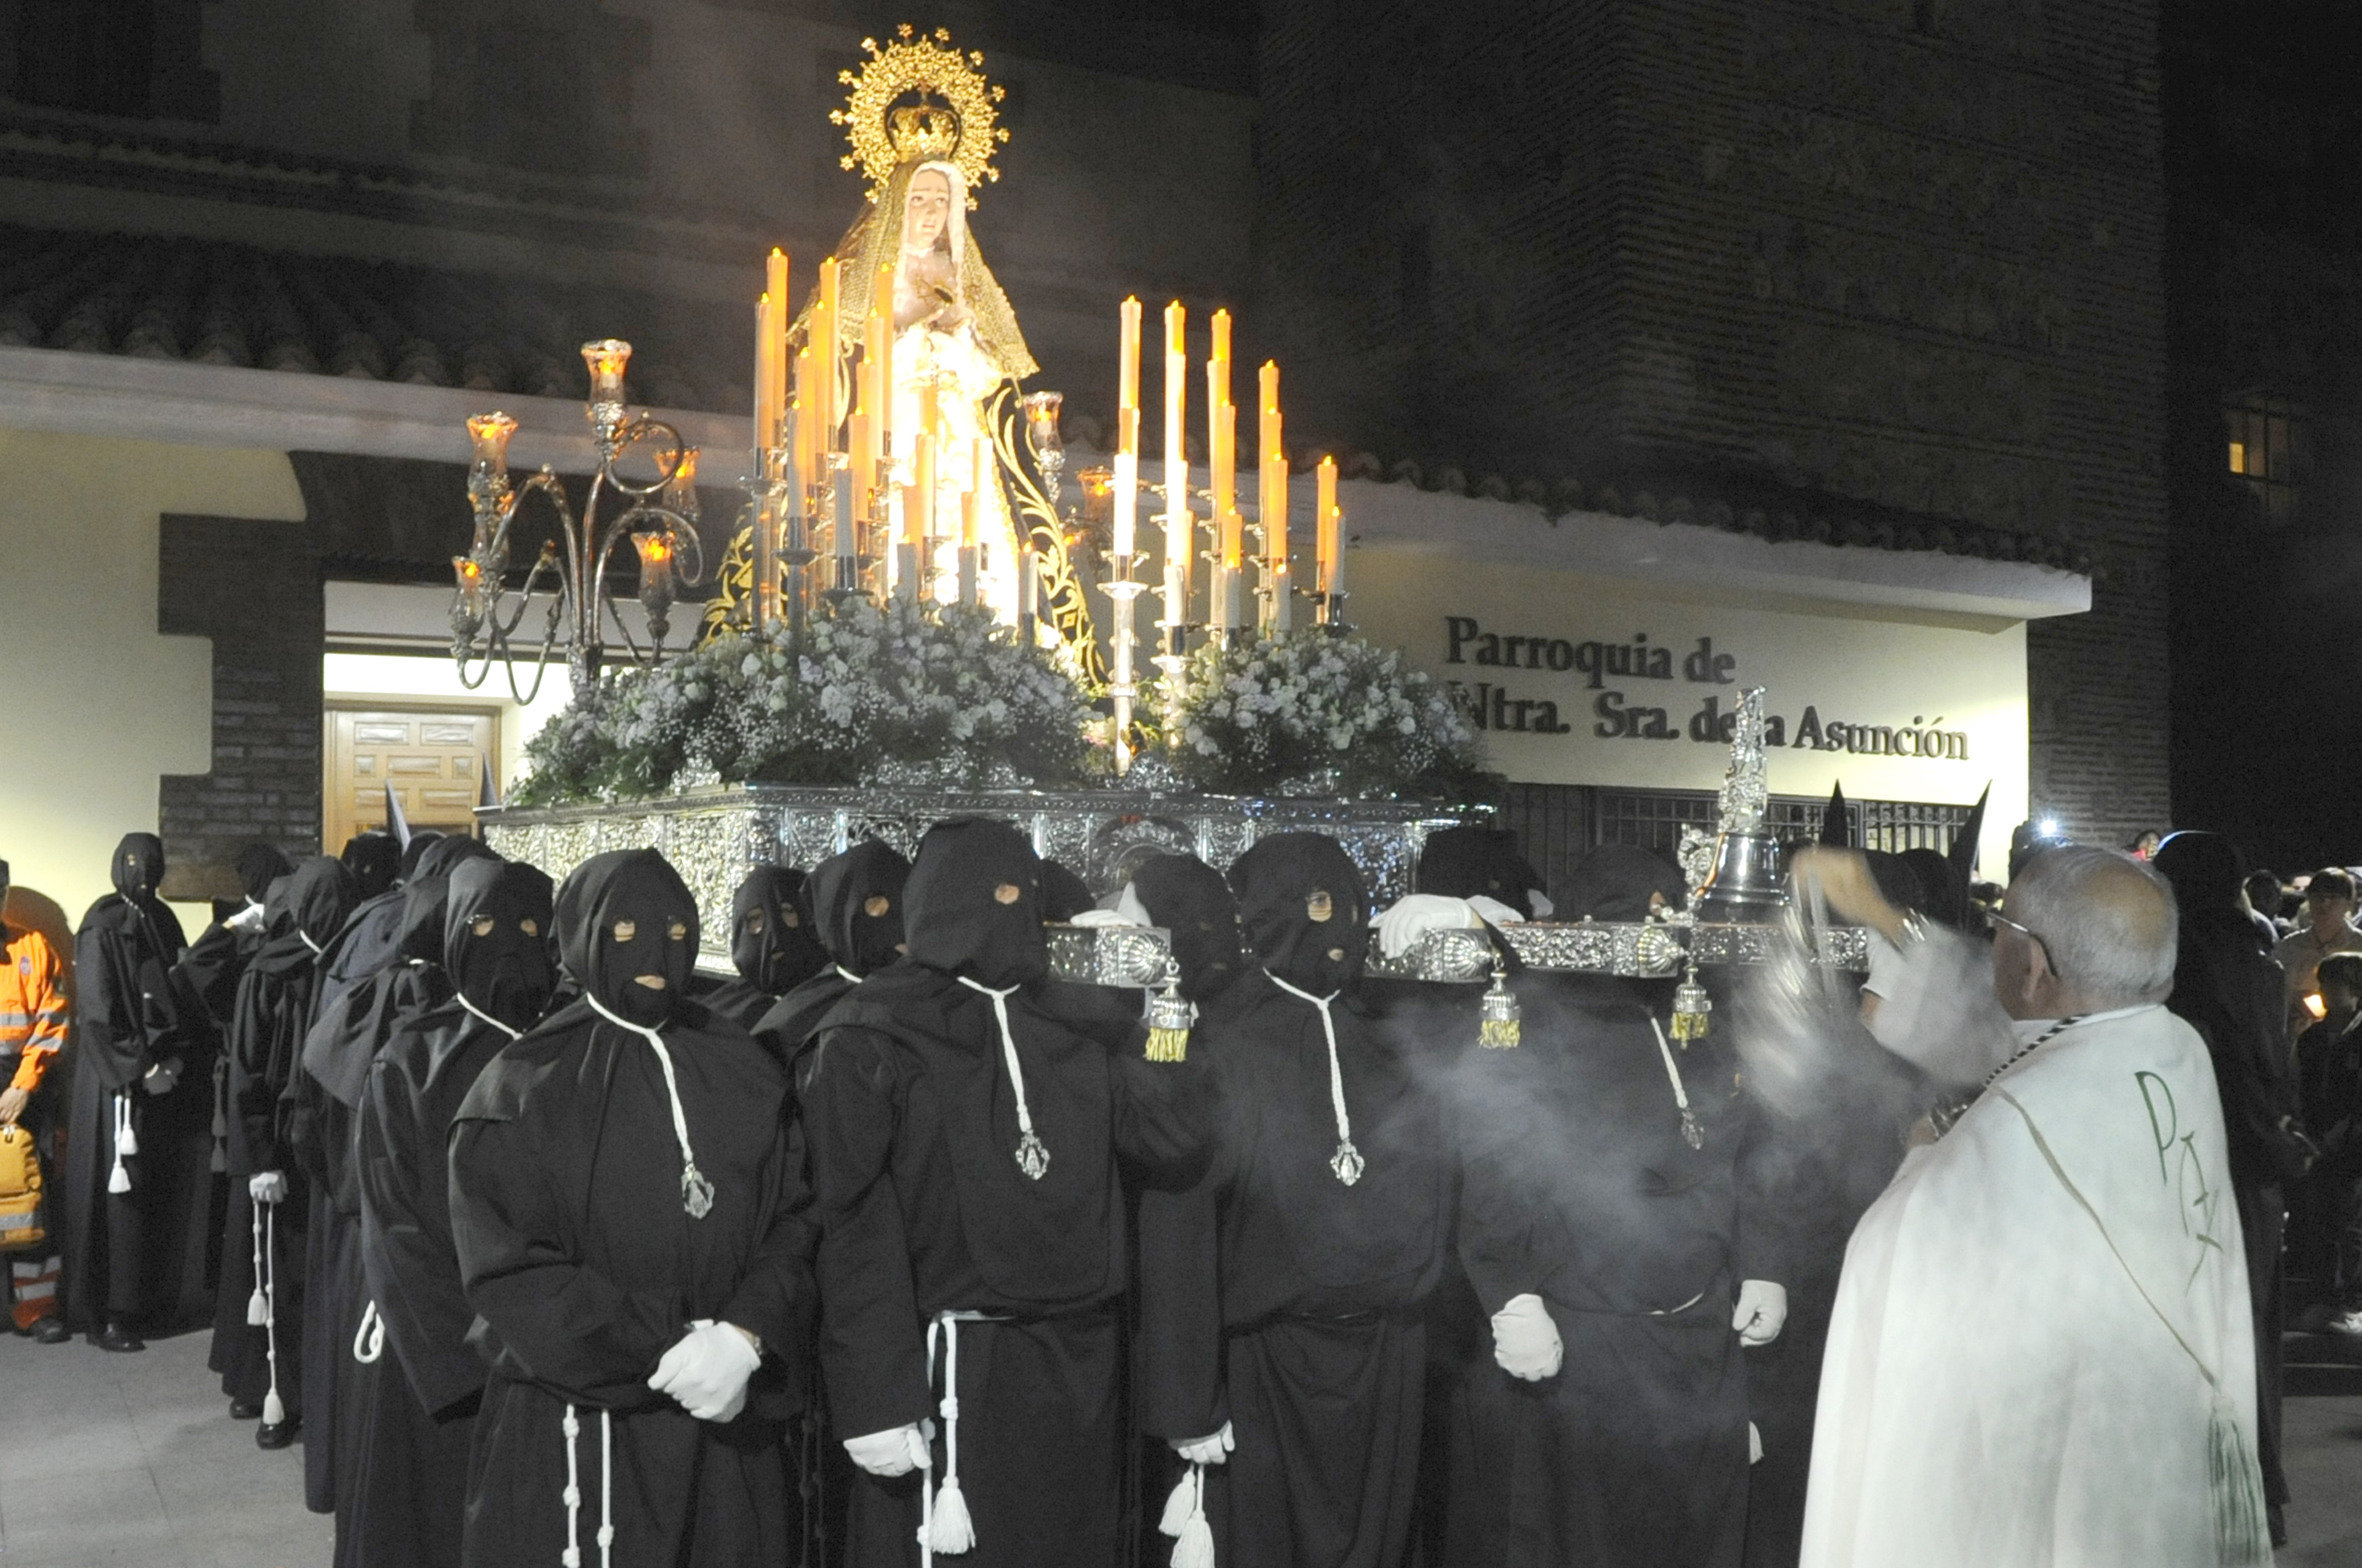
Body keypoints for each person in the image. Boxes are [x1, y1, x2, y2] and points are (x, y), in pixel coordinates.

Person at [1790, 843, 2269, 1568]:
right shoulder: (2169, 1045)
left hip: (2077, 1463)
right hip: (2159, 1433)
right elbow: (2014, 1034)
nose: (1988, 947)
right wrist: (1884, 918)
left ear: (2036, 963)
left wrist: (1924, 1149)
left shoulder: (2023, 1119)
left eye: (1999, 930)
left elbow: (1897, 1255)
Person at [800, 817, 1208, 1568]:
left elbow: (1172, 1141)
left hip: (1083, 1362)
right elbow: (854, 1223)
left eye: (1020, 891)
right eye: (988, 893)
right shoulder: (871, 1032)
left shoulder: (1078, 1016)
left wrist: (1150, 998)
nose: (1005, 910)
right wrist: (877, 1395)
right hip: (954, 1370)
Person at [1420, 839, 1789, 1568]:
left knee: (1702, 1537)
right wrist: (1510, 1294)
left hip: (1704, 1343)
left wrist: (1765, 1264)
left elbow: (1753, 1156)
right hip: (1591, 1350)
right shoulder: (1537, 1025)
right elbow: (1497, 1164)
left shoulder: (1703, 1015)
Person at [448, 848, 817, 1568]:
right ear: (583, 936)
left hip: (730, 1412)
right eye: (625, 933)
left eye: (678, 934)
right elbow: (511, 1273)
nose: (656, 954)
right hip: (586, 1425)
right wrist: (666, 1344)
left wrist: (746, 1334)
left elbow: (795, 1216)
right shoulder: (522, 1088)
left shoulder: (744, 1065)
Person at [1135, 832, 1450, 1568]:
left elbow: (1505, 1016)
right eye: (1311, 903)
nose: (1332, 924)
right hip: (1264, 1360)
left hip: (1386, 1352)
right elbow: (1178, 1223)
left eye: (1346, 904)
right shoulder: (1217, 1032)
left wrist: (1470, 925)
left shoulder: (1394, 1028)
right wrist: (1187, 1401)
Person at [352, 858, 557, 1567]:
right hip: (444, 1353)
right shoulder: (411, 1060)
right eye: (486, 926)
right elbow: (394, 1223)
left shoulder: (573, 1048)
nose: (511, 944)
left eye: (532, 927)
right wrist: (468, 1351)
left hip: (556, 1349)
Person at [300, 867, 473, 1532]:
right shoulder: (436, 1025)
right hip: (413, 1258)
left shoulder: (359, 1001)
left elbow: (306, 1118)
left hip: (357, 1236)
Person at [2153, 831, 2311, 1545]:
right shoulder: (2258, 960)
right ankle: (2259, 1494)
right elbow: (2277, 1075)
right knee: (2251, 1335)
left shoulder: (2172, 964)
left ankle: (2219, 1500)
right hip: (2255, 1175)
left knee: (2201, 1339)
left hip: (2192, 1169)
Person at [214, 855, 357, 1448]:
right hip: (279, 1149)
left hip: (320, 1148)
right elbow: (247, 1073)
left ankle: (306, 1394)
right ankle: (277, 1396)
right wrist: (261, 1160)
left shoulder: (344, 967)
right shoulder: (270, 973)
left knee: (307, 1275)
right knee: (275, 1277)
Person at [61, 832, 215, 1352]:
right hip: (116, 1087)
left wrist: (174, 1056)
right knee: (115, 1198)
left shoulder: (162, 920)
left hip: (158, 1080)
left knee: (154, 1193)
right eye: (135, 865)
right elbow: (98, 1012)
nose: (145, 875)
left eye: (153, 866)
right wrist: (140, 1067)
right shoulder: (101, 924)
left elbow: (179, 988)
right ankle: (110, 1313)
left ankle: (146, 1301)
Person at [751, 840, 910, 1065]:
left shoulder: (939, 996)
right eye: (876, 904)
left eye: (904, 900)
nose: (897, 919)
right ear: (839, 915)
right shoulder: (792, 1026)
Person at [1, 856, 71, 1343]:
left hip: (25, 1094)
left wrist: (23, 1087)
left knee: (30, 1203)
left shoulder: (34, 948)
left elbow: (52, 1023)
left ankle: (36, 1308)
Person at [2293, 952, 2362, 1335]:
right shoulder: (2313, 1039)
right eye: (2326, 985)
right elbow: (2300, 1088)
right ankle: (2324, 1299)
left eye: (2338, 985)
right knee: (2319, 1223)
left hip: (2353, 1147)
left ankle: (2352, 1304)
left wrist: (2341, 1132)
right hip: (2317, 1143)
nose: (2329, 993)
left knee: (2351, 1227)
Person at [705, 865, 827, 1033]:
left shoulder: (833, 1007)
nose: (773, 931)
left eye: (786, 911)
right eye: (756, 918)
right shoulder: (719, 1012)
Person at [2274, 867, 2362, 1034]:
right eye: (2317, 896)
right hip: (2298, 1040)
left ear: (2349, 903)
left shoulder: (2358, 945)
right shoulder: (2289, 948)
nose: (2324, 903)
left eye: (2333, 897)